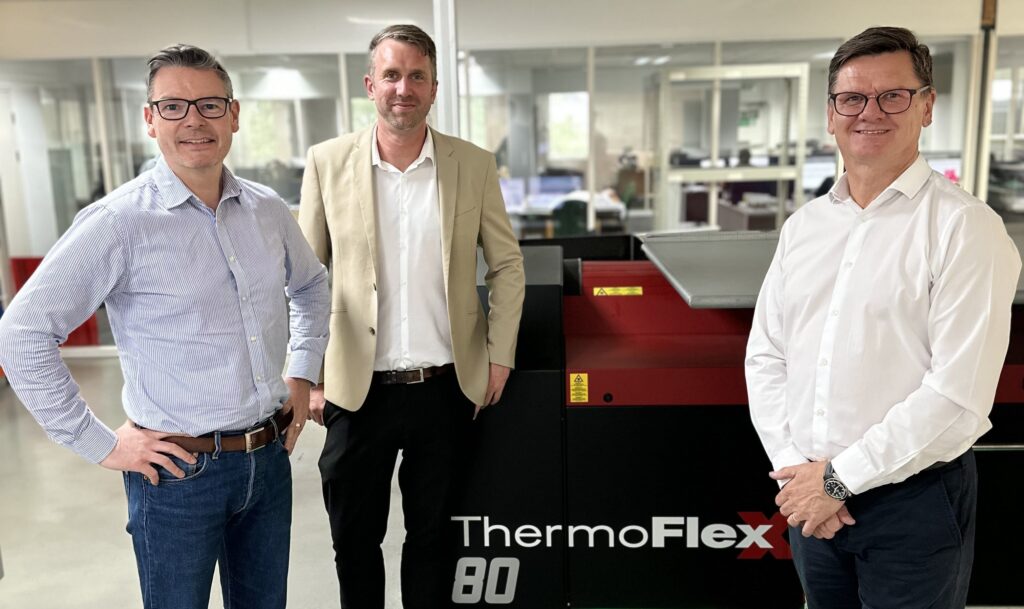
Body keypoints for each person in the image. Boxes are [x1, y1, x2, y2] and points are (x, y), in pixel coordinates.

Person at [0, 44, 330, 609]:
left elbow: (311, 286)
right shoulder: (118, 222)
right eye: (173, 106)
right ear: (150, 120)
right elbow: (22, 332)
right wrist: (101, 444)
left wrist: (301, 375)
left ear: (234, 115)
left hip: (268, 458)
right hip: (177, 477)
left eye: (209, 104)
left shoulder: (267, 209)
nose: (194, 120)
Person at [746, 26, 1020, 609]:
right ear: (831, 114)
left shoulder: (965, 228)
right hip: (811, 498)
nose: (869, 113)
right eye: (852, 98)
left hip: (911, 502)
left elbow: (957, 396)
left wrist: (836, 480)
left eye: (892, 96)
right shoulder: (804, 227)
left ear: (926, 107)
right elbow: (766, 355)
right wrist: (797, 474)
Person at [298, 24, 525, 609]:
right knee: (354, 542)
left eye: (417, 76)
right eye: (392, 75)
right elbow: (304, 279)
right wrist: (309, 376)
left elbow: (507, 264)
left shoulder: (473, 164)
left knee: (433, 541)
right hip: (355, 393)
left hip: (445, 388)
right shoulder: (326, 163)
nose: (404, 88)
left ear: (434, 87)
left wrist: (499, 356)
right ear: (370, 84)